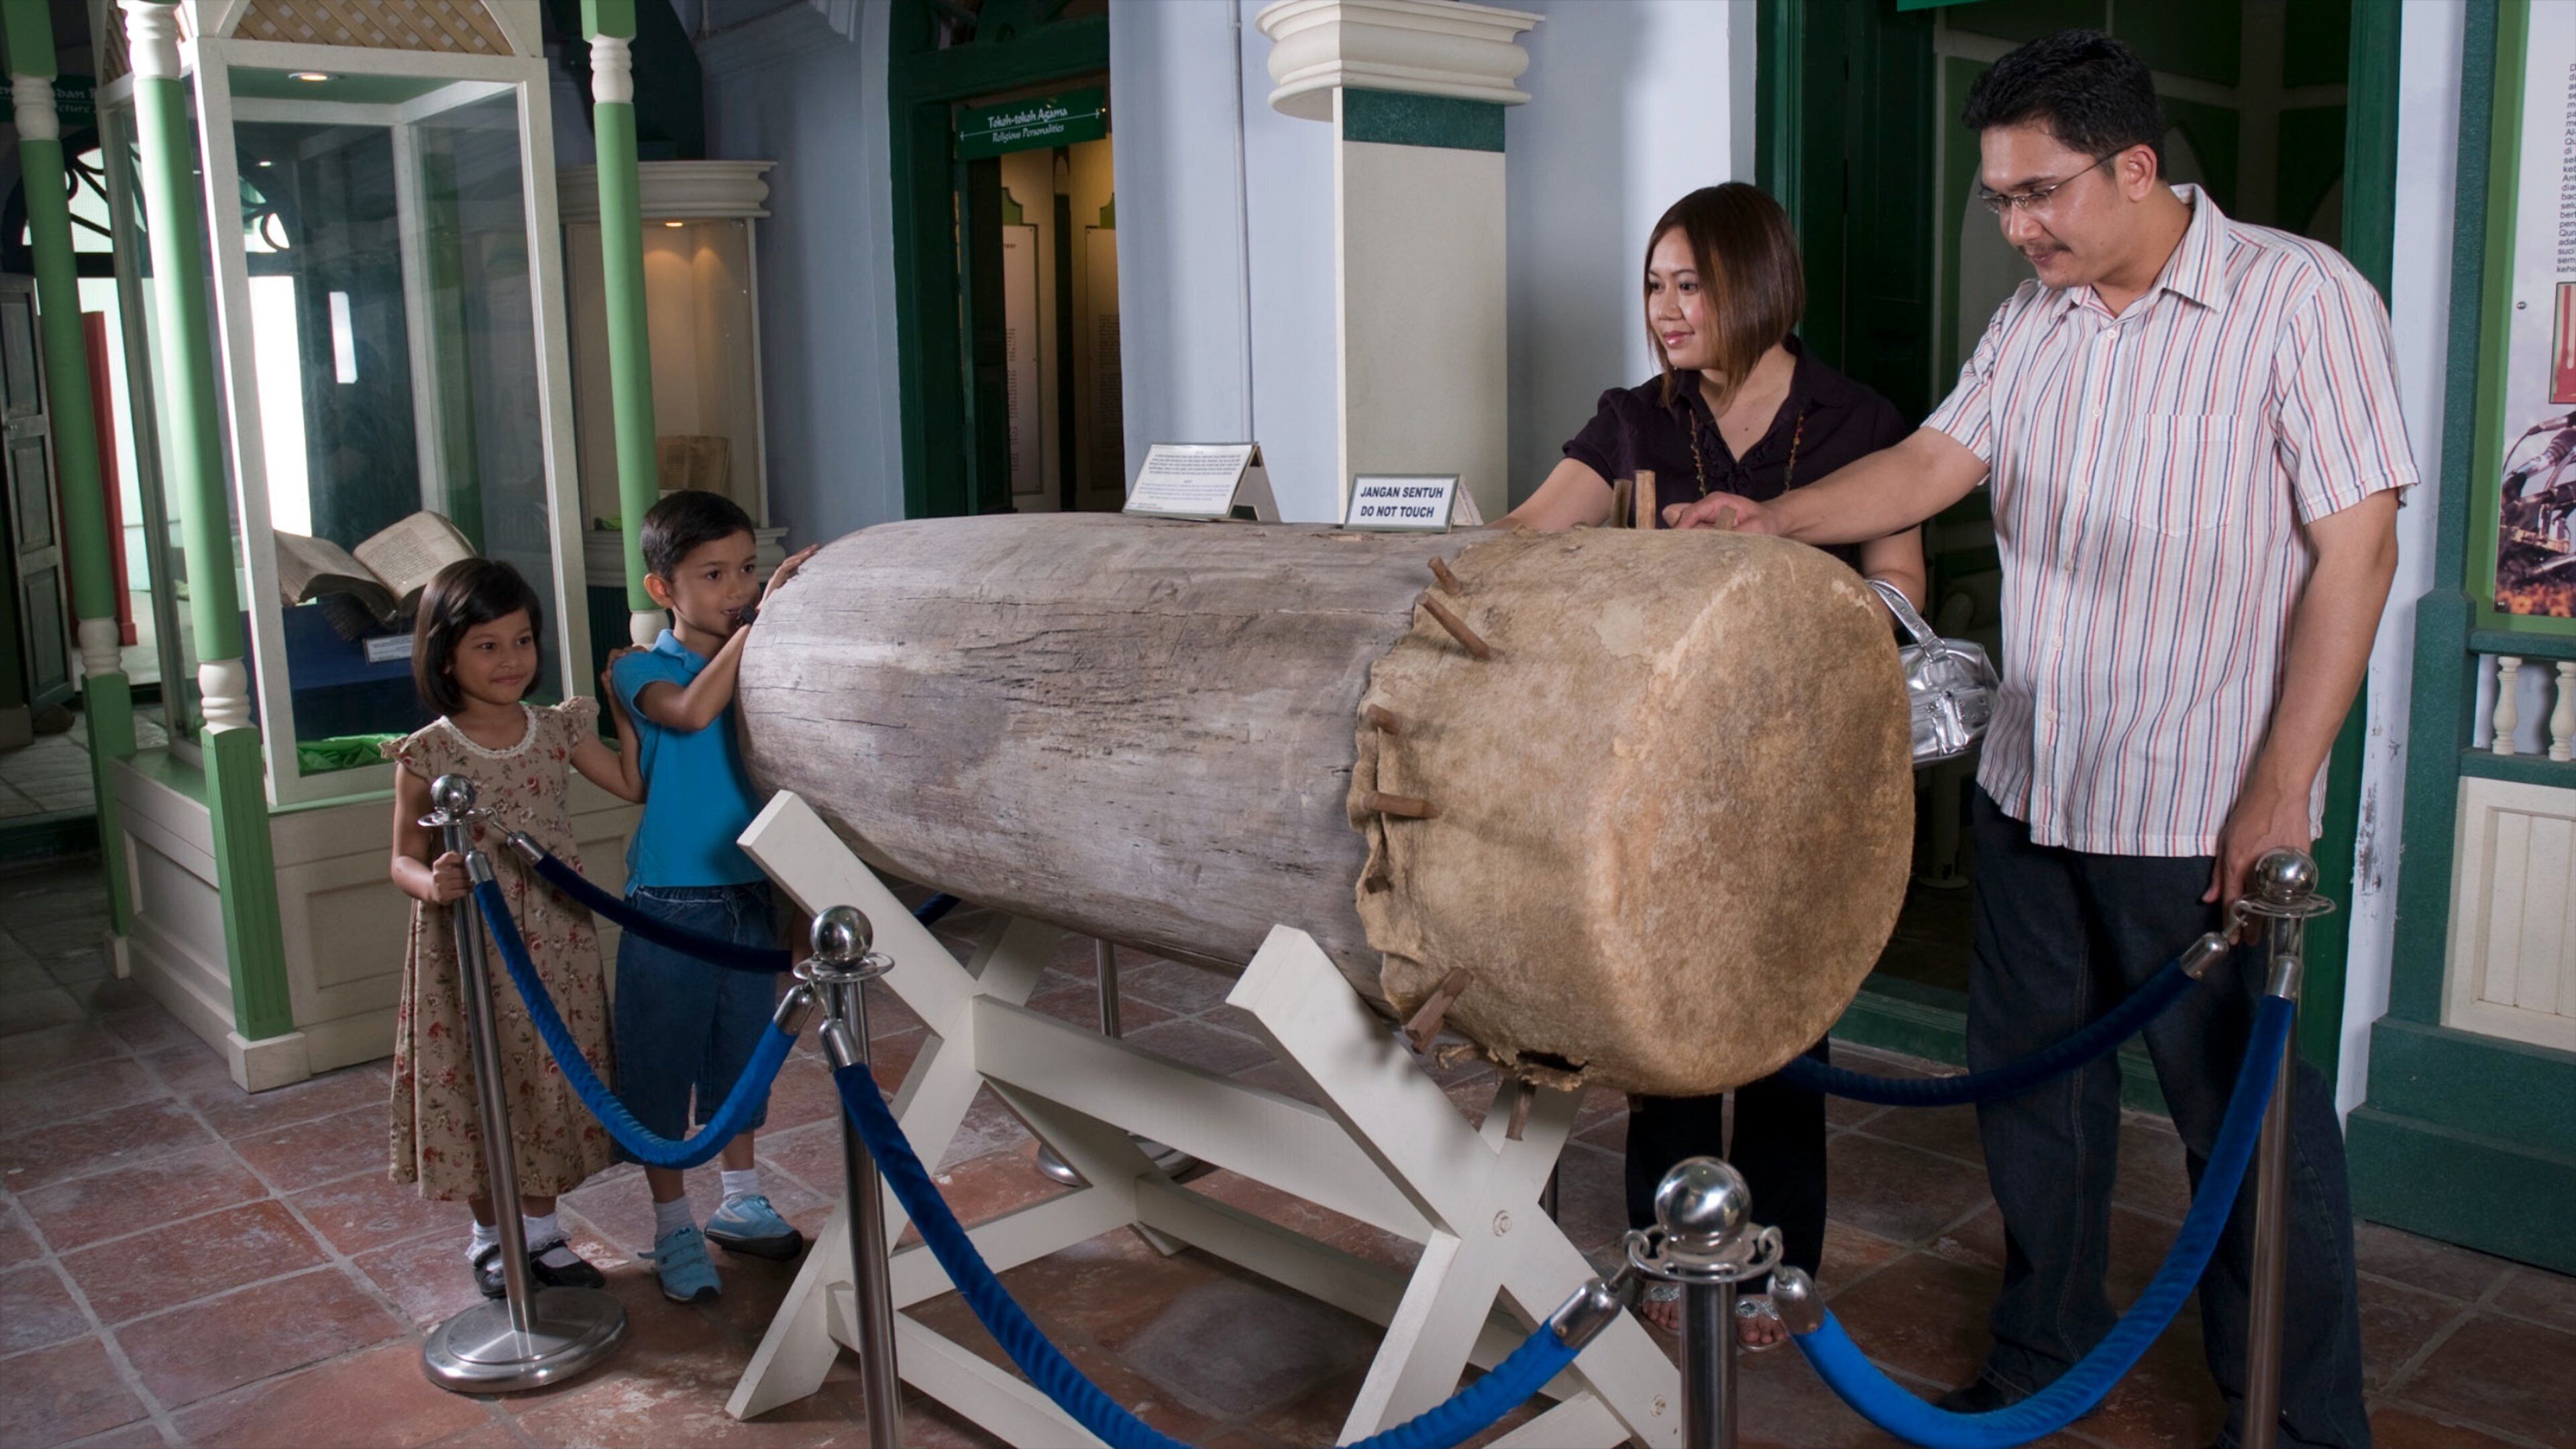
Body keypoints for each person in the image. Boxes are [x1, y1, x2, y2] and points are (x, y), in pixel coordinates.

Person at [1668, 32, 2404, 1448]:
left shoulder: (2300, 301)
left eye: (2040, 193)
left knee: (2244, 1132)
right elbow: (1936, 463)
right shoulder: (2034, 319)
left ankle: (2305, 1419)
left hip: (2194, 810)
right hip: (2031, 782)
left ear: (2137, 167)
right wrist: (1770, 517)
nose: (2016, 225)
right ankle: (2039, 1358)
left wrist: (2279, 788)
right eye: (1999, 196)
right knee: (2035, 1116)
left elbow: (2355, 557)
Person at [1506, 180, 1925, 1349]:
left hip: (1801, 772)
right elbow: (1531, 533)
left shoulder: (1856, 418)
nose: (1666, 309)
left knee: (1790, 1017)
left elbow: (1901, 588)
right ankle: (1665, 1248)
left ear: (1759, 285)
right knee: (1666, 1013)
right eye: (1654, 284)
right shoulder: (1636, 417)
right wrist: (1428, 546)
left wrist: (1809, 607)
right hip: (1661, 776)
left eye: (1690, 283)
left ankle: (1778, 1270)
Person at [384, 558, 643, 1298]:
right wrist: (431, 883)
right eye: (487, 646)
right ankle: (490, 1233)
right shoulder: (427, 752)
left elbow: (632, 785)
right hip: (469, 946)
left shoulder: (552, 730)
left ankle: (541, 1230)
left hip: (554, 938)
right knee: (476, 1079)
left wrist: (621, 715)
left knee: (550, 1077)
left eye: (521, 641)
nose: (510, 661)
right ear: (445, 654)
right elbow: (400, 857)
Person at [610, 490, 820, 1302]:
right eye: (713, 574)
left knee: (744, 1066)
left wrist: (799, 902)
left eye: (747, 570)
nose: (737, 587)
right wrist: (758, 622)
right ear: (663, 588)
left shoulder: (756, 658)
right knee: (659, 1076)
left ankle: (741, 1201)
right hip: (670, 904)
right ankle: (671, 1230)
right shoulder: (639, 668)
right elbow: (693, 715)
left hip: (749, 896)